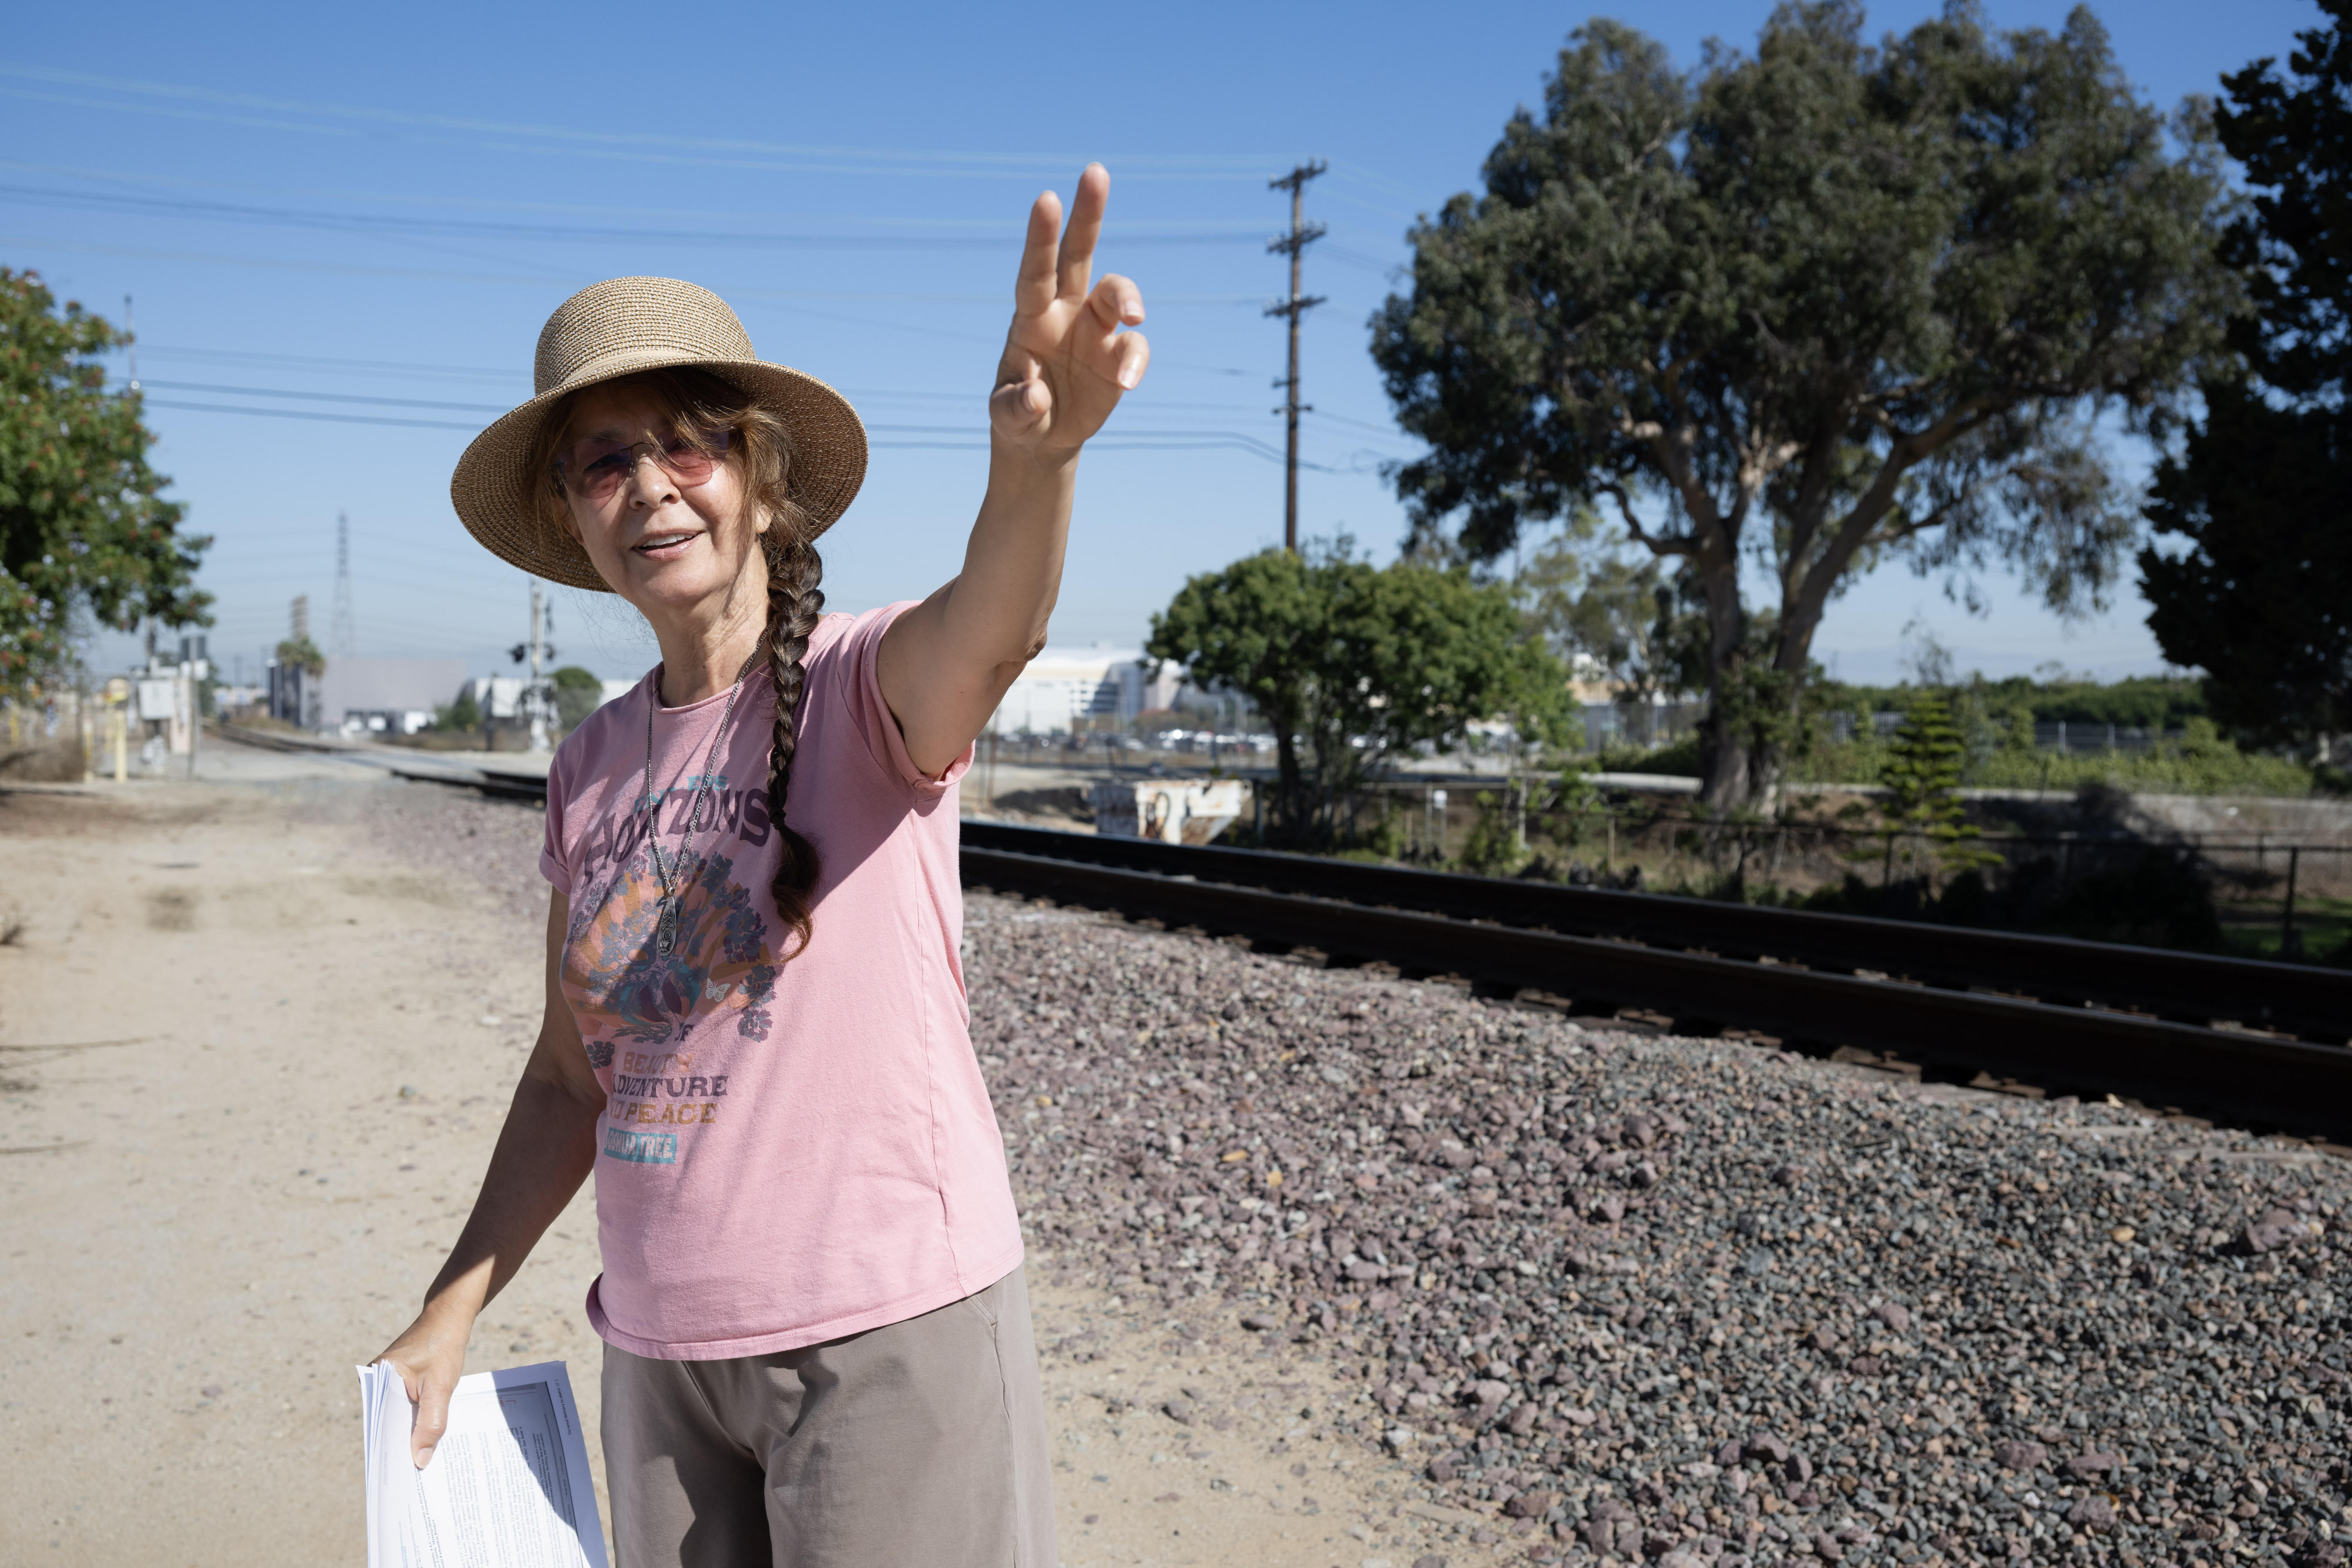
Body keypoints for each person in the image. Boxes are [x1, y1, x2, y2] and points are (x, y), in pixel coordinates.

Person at [372, 164, 1148, 1568]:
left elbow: (997, 626)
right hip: (661, 1361)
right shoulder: (591, 763)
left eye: (689, 444)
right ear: (573, 515)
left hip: (883, 1338)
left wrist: (1039, 468)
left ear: (761, 478)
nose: (650, 486)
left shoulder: (865, 688)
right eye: (604, 460)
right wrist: (453, 1306)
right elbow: (569, 1075)